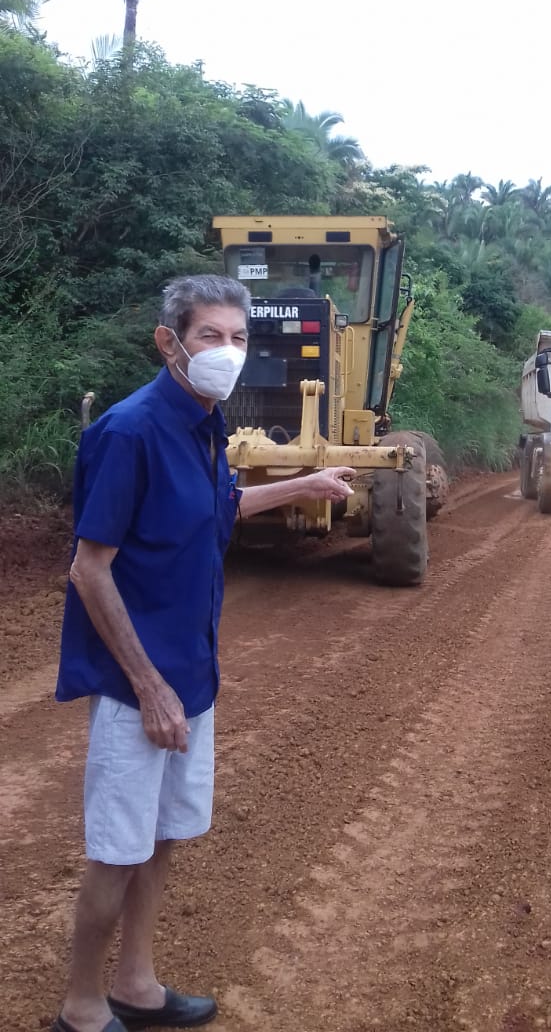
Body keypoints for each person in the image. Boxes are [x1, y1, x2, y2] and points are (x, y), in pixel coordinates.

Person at [52, 275, 355, 1032]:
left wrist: (302, 484)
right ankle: (82, 1008)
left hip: (192, 672)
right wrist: (149, 688)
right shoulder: (130, 431)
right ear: (169, 342)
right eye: (210, 336)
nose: (227, 351)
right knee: (118, 851)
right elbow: (90, 568)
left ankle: (137, 984)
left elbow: (217, 506)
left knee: (163, 839)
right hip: (138, 685)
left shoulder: (206, 421)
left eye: (238, 338)